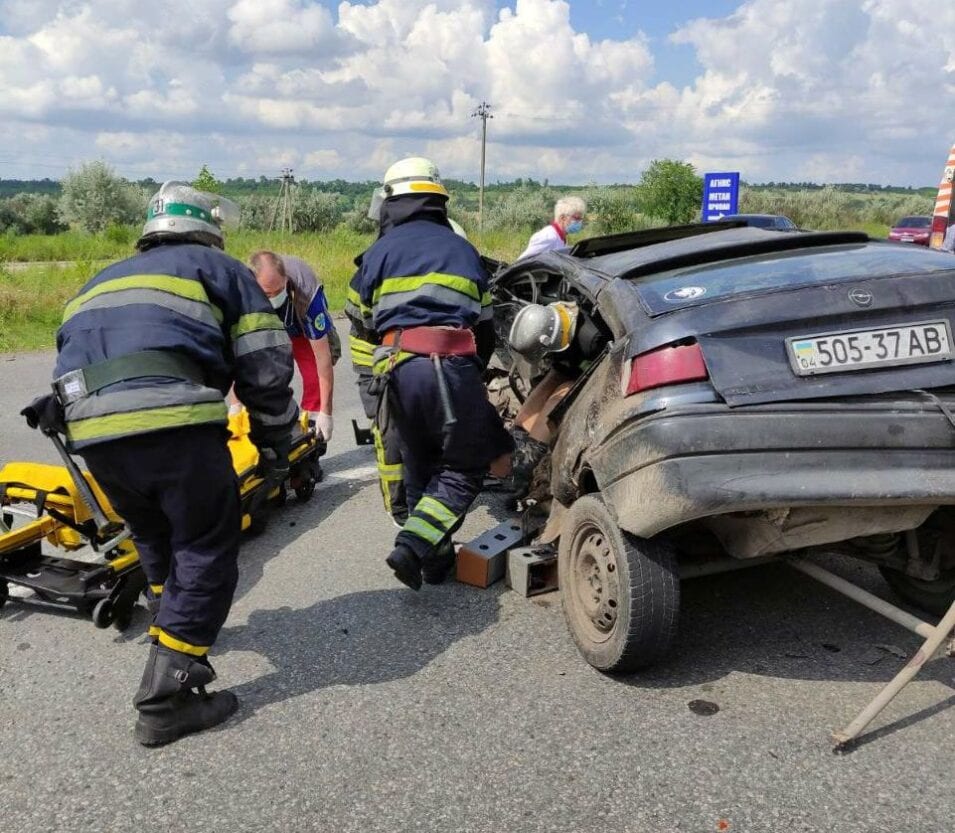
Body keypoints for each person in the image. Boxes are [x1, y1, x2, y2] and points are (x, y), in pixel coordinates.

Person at [50, 181, 297, 746]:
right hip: (174, 424)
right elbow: (263, 362)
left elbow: (69, 359)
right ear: (207, 231)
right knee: (207, 546)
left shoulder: (99, 280)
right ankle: (167, 697)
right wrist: (277, 441)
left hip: (94, 433)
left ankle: (169, 627)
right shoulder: (219, 269)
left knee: (153, 533)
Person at [349, 156, 513, 590]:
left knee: (421, 466)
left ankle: (435, 562)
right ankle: (414, 545)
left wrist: (372, 391)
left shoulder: (374, 255)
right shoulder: (462, 251)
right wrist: (470, 383)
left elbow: (362, 326)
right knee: (464, 466)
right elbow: (485, 326)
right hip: (446, 366)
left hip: (394, 373)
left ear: (390, 202)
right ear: (438, 200)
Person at [248, 251, 335, 443]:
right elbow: (239, 353)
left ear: (286, 280)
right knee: (265, 373)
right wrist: (236, 406)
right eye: (268, 293)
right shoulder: (243, 289)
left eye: (278, 291)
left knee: (313, 373)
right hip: (266, 323)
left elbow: (323, 357)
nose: (274, 297)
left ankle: (311, 424)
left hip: (298, 319)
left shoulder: (307, 294)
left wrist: (325, 414)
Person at [519, 196, 586, 259]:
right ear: (562, 218)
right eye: (576, 218)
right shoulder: (548, 237)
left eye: (580, 219)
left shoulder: (561, 236)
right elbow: (521, 263)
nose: (579, 222)